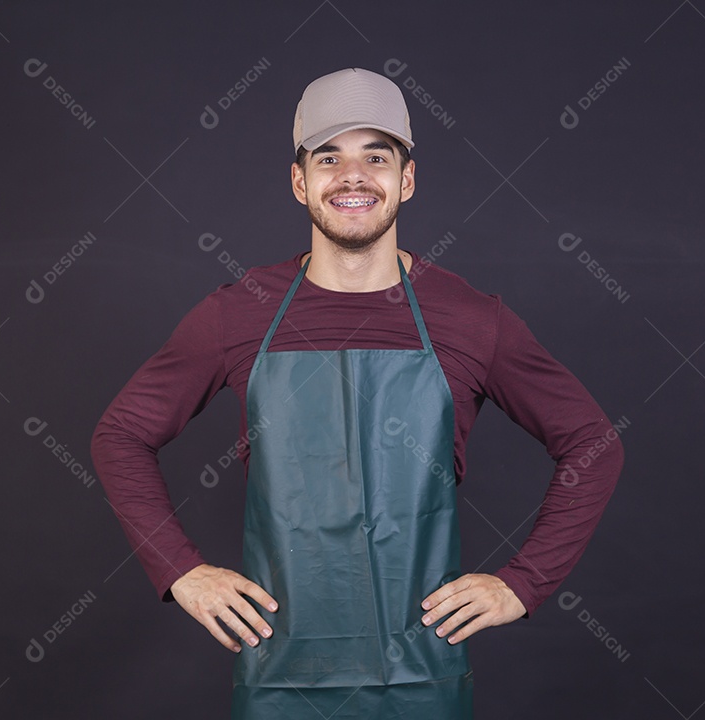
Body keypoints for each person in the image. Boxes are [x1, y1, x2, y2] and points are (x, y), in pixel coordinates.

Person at [91, 67, 623, 720]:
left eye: (376, 156)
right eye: (328, 157)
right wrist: (181, 572)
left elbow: (592, 444)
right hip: (282, 674)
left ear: (407, 178)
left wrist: (525, 584)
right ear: (299, 181)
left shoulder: (472, 319)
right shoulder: (237, 314)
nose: (352, 176)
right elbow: (120, 436)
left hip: (423, 676)